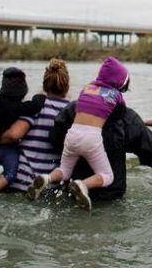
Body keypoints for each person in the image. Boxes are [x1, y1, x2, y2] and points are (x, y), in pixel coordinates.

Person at [27, 57, 130, 210]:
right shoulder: (116, 95)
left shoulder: (87, 88)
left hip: (72, 135)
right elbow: (120, 115)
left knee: (65, 171)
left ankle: (47, 178)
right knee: (108, 176)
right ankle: (83, 185)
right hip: (91, 139)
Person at [0, 59, 72, 194]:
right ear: (67, 86)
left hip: (20, 182)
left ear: (45, 85)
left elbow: (13, 135)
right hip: (51, 187)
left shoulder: (35, 107)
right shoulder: (71, 112)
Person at [0, 67, 44, 207]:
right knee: (11, 175)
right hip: (6, 150)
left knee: (10, 170)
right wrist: (41, 95)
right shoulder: (17, 107)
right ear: (23, 92)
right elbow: (36, 105)